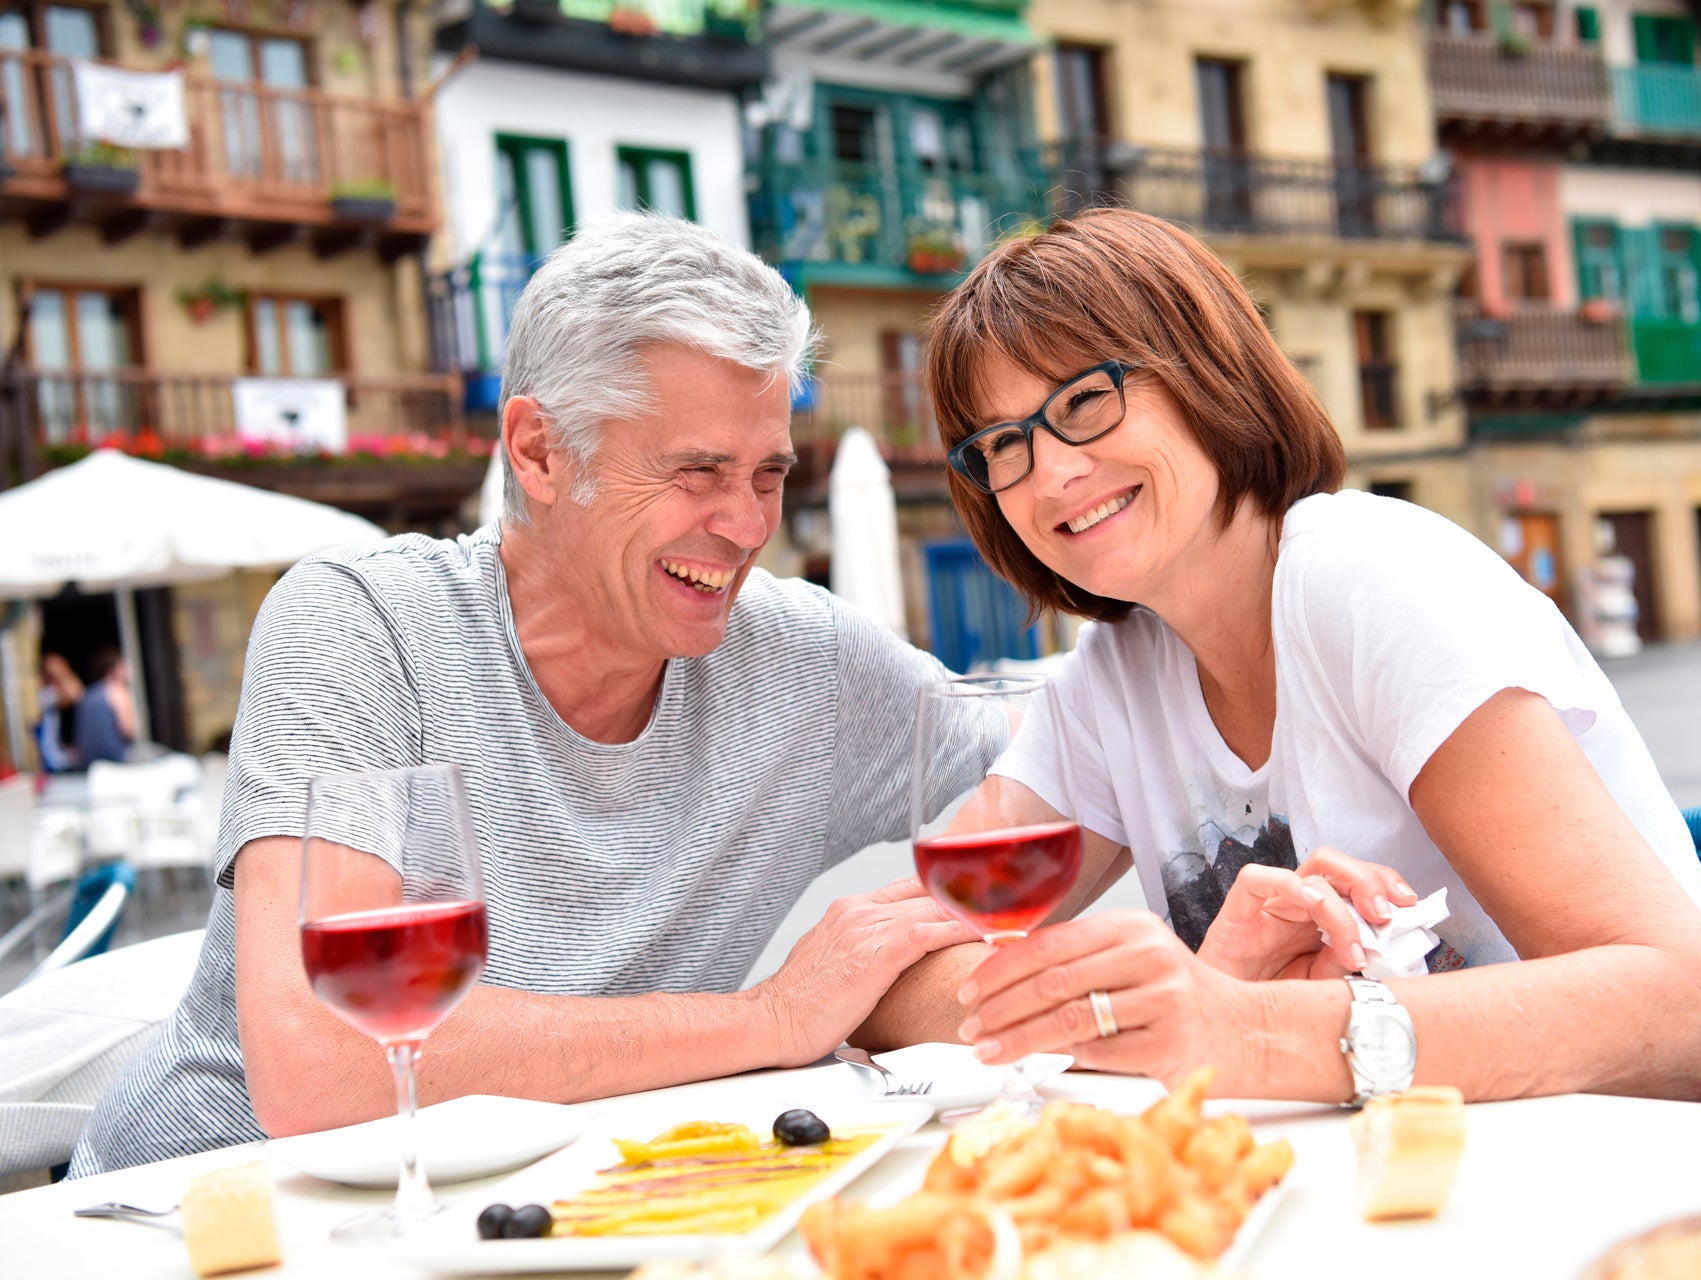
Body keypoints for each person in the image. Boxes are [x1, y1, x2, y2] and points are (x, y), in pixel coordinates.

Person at [68, 212, 1003, 1176]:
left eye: (769, 473)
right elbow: (330, 1066)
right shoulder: (360, 629)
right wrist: (771, 1018)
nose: (745, 523)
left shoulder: (809, 667)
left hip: (558, 1214)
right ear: (539, 452)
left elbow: (1056, 753)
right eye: (696, 472)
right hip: (200, 1209)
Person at [876, 209, 1701, 1113]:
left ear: (1207, 371)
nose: (1050, 469)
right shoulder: (1108, 680)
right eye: (1001, 445)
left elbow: (1695, 1019)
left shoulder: (1368, 576)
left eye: (1085, 399)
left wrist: (1240, 1024)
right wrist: (1172, 997)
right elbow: (890, 975)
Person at [71, 647, 136, 768]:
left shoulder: (86, 695)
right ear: (115, 670)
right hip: (116, 760)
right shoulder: (117, 691)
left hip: (88, 763)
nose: (130, 671)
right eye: (124, 666)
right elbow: (128, 730)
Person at [34, 651, 84, 773]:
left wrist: (62, 672)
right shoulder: (43, 694)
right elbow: (74, 694)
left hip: (55, 757)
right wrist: (62, 673)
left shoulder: (51, 692)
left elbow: (77, 694)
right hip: (47, 760)